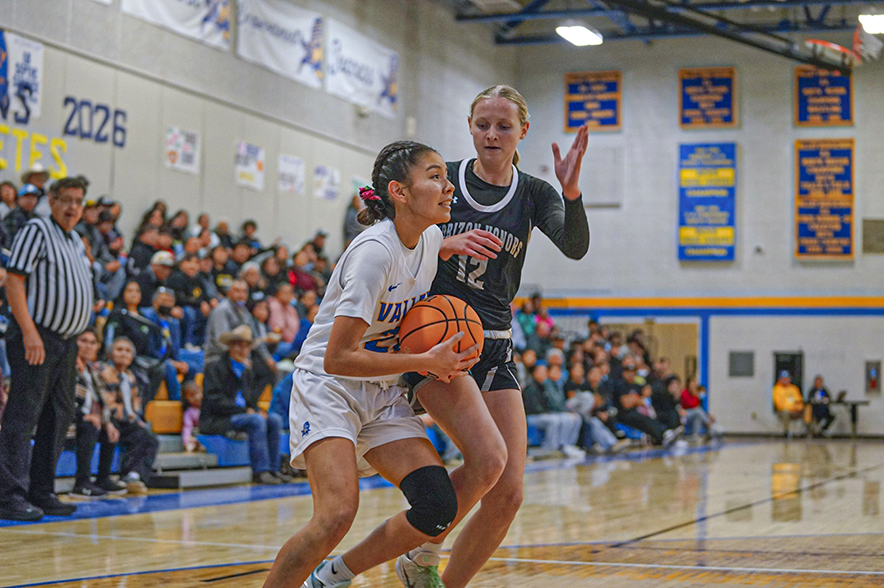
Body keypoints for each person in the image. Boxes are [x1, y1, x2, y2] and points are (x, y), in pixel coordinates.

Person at [398, 85, 591, 588]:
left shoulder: (532, 192)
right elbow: (395, 237)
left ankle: (432, 572)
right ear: (470, 126)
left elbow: (574, 247)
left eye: (503, 126)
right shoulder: (444, 181)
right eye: (483, 124)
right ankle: (423, 542)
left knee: (508, 494)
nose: (491, 134)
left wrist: (571, 193)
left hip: (496, 343)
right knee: (485, 462)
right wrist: (441, 241)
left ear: (522, 131)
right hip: (435, 341)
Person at [263, 141, 477, 588]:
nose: (448, 186)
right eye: (435, 176)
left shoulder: (429, 235)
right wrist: (426, 360)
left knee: (437, 506)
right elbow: (337, 356)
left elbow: (427, 249)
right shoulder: (372, 254)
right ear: (400, 192)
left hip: (380, 390)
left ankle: (333, 577)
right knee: (336, 515)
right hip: (331, 386)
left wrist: (452, 244)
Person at [0, 177, 93, 521]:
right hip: (37, 337)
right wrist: (28, 331)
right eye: (66, 199)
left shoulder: (74, 240)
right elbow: (15, 279)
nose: (72, 207)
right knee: (23, 416)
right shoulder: (37, 229)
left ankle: (42, 490)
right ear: (51, 201)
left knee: (58, 417)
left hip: (67, 344)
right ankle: (8, 494)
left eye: (79, 201)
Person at [201, 326, 289, 484]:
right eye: (239, 345)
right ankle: (260, 471)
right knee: (256, 421)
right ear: (231, 346)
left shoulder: (248, 371)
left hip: (242, 414)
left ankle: (274, 470)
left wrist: (256, 410)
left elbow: (250, 400)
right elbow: (213, 400)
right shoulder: (215, 368)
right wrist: (247, 411)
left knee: (273, 419)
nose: (243, 350)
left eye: (247, 346)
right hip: (219, 419)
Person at [100, 337, 158, 494]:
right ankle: (109, 477)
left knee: (149, 437)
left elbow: (135, 405)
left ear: (132, 356)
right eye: (119, 349)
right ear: (110, 353)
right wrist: (131, 417)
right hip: (109, 418)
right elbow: (108, 404)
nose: (123, 354)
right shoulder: (104, 372)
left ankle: (134, 475)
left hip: (126, 419)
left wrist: (137, 420)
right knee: (121, 427)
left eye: (127, 351)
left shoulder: (132, 377)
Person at [71, 328, 124, 499]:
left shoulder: (91, 371)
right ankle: (82, 483)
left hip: (88, 419)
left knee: (111, 428)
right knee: (90, 426)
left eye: (92, 342)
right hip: (70, 421)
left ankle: (103, 478)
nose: (88, 346)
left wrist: (107, 423)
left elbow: (101, 401)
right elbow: (62, 400)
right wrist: (82, 415)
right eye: (83, 341)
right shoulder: (68, 367)